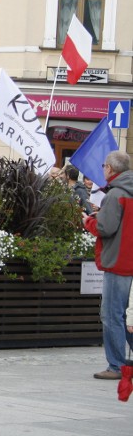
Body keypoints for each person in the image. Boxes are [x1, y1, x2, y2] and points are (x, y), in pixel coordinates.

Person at [83, 151, 133, 380]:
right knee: (126, 317)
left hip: (118, 262)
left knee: (112, 315)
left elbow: (106, 228)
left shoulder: (115, 195)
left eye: (104, 166)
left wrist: (89, 221)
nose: (103, 169)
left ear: (111, 170)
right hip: (129, 261)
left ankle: (116, 366)